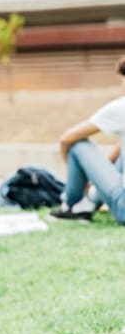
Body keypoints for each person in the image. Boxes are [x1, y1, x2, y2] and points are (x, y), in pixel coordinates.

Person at [50, 55, 125, 223]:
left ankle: (72, 203)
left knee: (78, 145)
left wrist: (80, 179)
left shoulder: (122, 107)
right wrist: (95, 176)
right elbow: (119, 150)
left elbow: (66, 139)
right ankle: (89, 202)